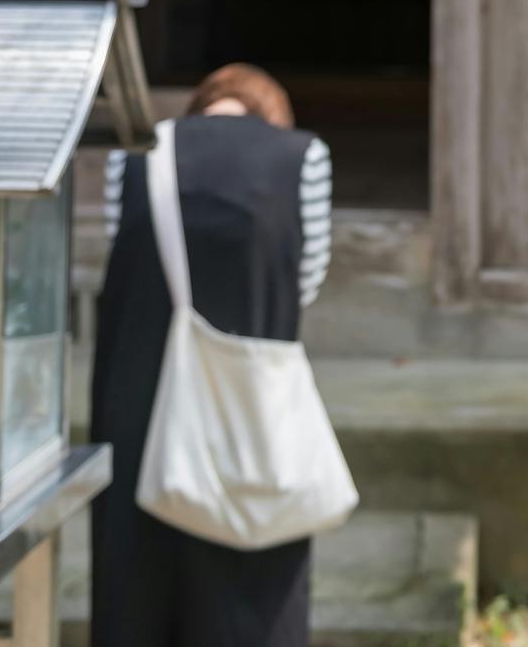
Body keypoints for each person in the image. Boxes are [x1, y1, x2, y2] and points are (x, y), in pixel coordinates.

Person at [89, 64, 332, 647]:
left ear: (202, 106)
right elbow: (306, 282)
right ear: (271, 117)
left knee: (139, 590)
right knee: (253, 591)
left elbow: (118, 264)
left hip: (141, 408)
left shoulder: (133, 159)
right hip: (251, 416)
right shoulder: (303, 158)